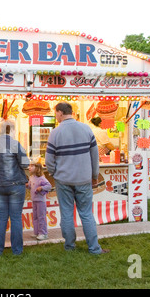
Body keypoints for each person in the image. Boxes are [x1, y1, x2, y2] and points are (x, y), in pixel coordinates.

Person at [45, 102, 109, 255]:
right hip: (84, 179)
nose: (56, 116)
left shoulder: (55, 132)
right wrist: (94, 175)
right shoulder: (86, 128)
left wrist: (54, 173)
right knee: (86, 213)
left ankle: (69, 246)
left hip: (63, 180)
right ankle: (94, 248)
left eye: (56, 113)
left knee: (66, 213)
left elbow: (49, 160)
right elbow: (95, 156)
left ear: (60, 113)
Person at [0, 120, 30, 255]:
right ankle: (17, 250)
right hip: (15, 184)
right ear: (11, 130)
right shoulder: (14, 144)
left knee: (1, 218)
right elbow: (25, 164)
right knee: (16, 218)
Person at [26, 160, 52, 240]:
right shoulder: (31, 177)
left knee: (41, 216)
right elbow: (30, 186)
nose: (29, 167)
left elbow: (49, 186)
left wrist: (41, 188)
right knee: (35, 217)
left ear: (37, 168)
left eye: (31, 166)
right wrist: (26, 185)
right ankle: (37, 232)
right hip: (34, 200)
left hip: (41, 200)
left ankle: (43, 233)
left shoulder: (42, 178)